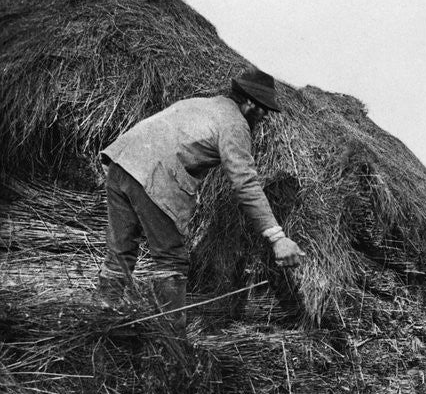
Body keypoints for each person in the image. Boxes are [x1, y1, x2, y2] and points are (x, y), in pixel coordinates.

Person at [95, 67, 305, 327]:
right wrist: (276, 237)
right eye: (262, 109)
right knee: (171, 259)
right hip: (152, 173)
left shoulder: (200, 104)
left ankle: (104, 319)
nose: (262, 117)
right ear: (250, 103)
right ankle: (169, 339)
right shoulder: (234, 123)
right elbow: (244, 182)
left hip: (121, 162)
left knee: (120, 251)